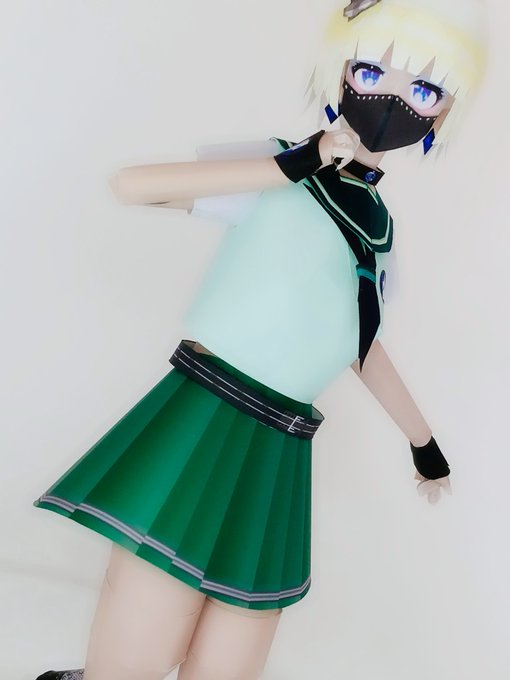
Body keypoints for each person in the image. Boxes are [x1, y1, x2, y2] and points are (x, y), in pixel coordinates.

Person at [33, 0, 488, 678]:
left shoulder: (382, 230)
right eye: (371, 72)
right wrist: (291, 164)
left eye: (424, 90)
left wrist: (423, 442)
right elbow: (134, 187)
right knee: (133, 659)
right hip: (204, 416)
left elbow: (357, 341)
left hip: (281, 441)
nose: (392, 101)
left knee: (231, 656)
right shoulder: (277, 166)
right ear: (339, 70)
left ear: (444, 113)